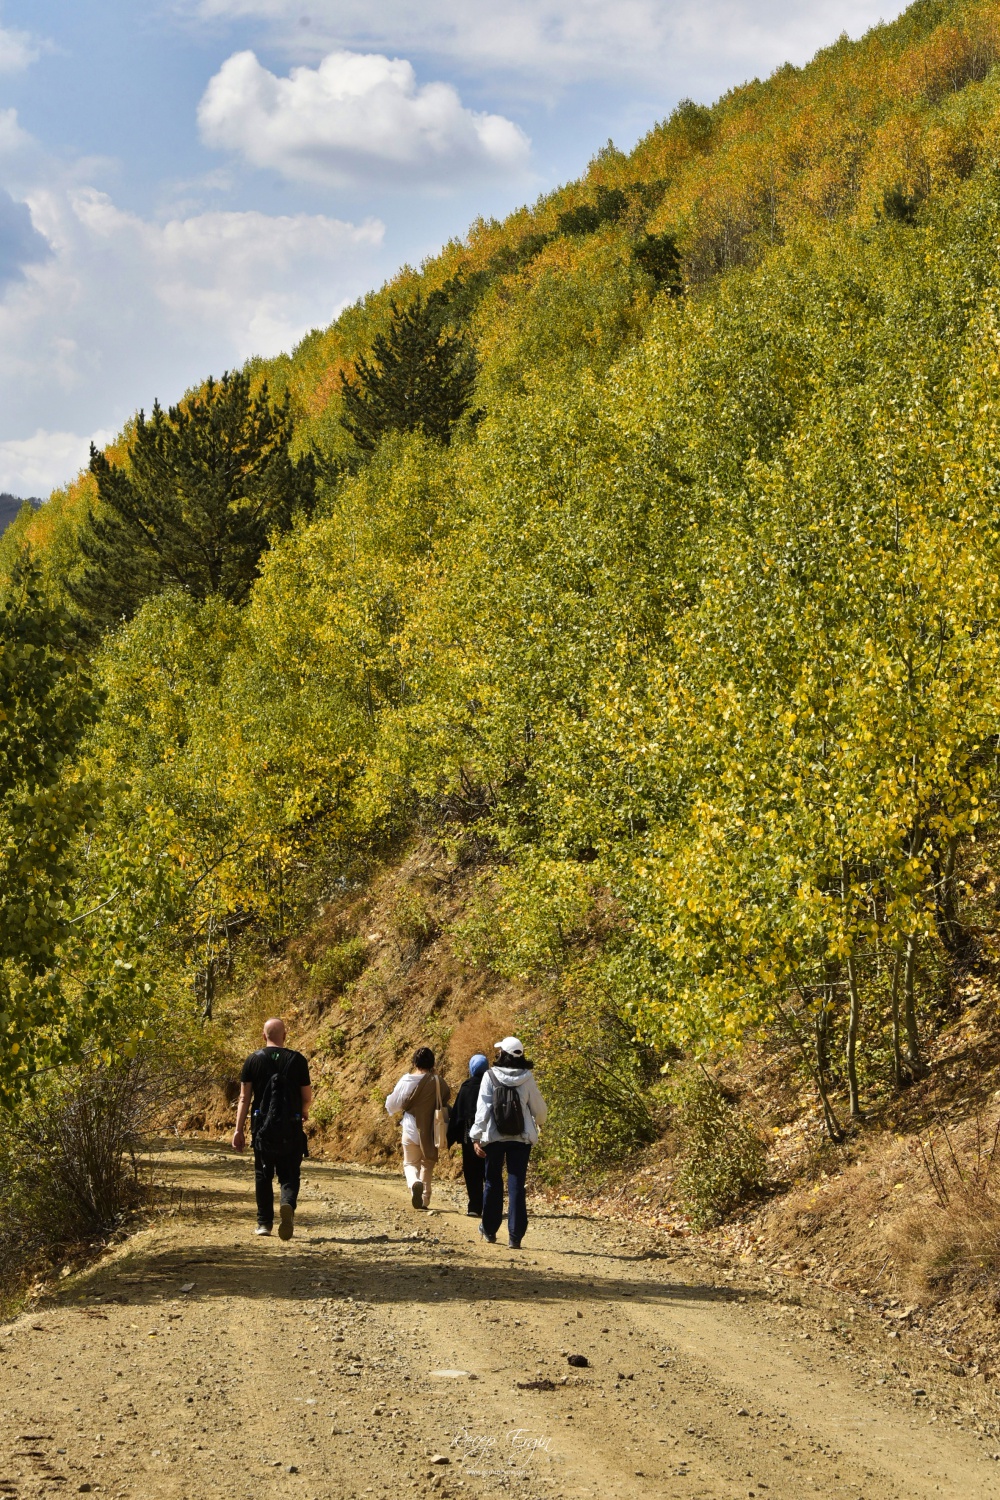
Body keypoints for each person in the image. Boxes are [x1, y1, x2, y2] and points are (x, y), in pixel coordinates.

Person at [233, 1017, 312, 1240]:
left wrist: (238, 1130)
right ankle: (287, 1203)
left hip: (262, 1128)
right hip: (291, 1127)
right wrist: (304, 1111)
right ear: (285, 1036)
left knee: (263, 1174)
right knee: (290, 1172)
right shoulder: (298, 1060)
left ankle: (264, 1223)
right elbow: (307, 1096)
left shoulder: (253, 1060)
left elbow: (244, 1098)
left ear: (263, 1036)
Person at [470, 1036, 547, 1250]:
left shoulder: (489, 1076)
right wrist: (540, 1122)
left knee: (492, 1183)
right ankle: (515, 1236)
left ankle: (489, 1229)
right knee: (516, 1186)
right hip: (521, 1140)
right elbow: (539, 1109)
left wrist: (476, 1136)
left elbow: (483, 1109)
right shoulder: (527, 1078)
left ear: (502, 1054)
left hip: (494, 1138)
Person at [385, 1046, 452, 1209]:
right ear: (432, 1063)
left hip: (410, 1127)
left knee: (410, 1163)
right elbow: (446, 1098)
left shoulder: (406, 1080)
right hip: (430, 1129)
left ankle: (415, 1182)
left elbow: (392, 1105)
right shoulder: (438, 1081)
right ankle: (424, 1199)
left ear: (414, 1062)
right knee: (427, 1164)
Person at [446, 1053, 489, 1216]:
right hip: (490, 1136)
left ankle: (475, 1207)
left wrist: (450, 1136)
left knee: (472, 1172)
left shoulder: (467, 1087)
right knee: (489, 1172)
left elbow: (458, 1114)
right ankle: (491, 1206)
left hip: (469, 1137)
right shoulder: (492, 1084)